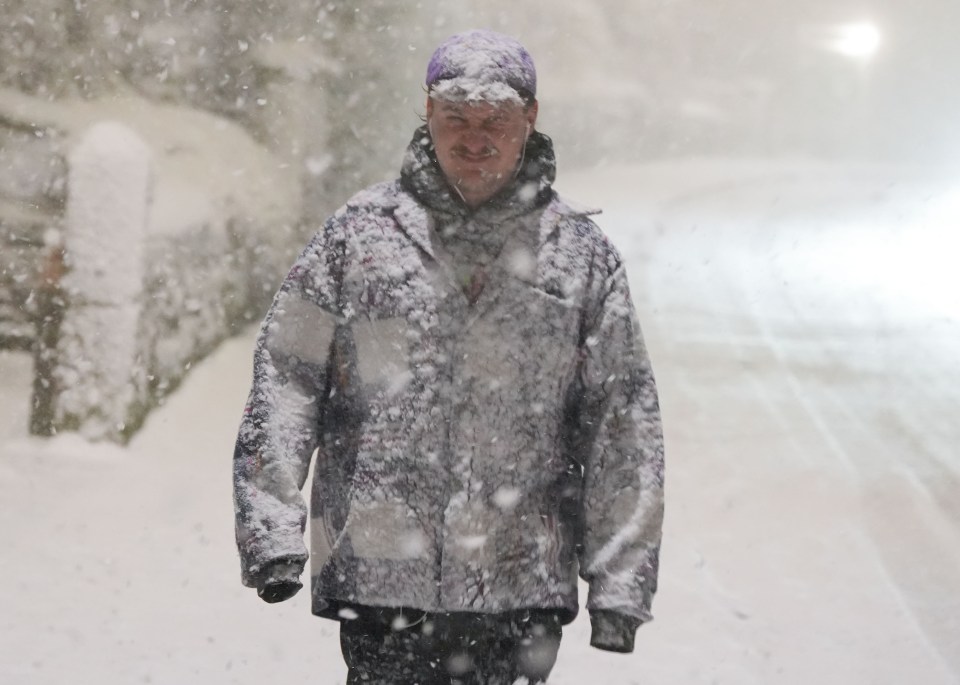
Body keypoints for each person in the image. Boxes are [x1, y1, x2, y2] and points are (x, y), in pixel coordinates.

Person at [233, 29, 665, 685]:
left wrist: (621, 581)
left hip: (519, 585)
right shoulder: (358, 235)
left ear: (531, 120)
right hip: (381, 576)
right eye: (456, 118)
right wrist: (270, 527)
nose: (475, 137)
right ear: (427, 113)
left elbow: (621, 423)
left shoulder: (580, 254)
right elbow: (286, 377)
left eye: (496, 120)